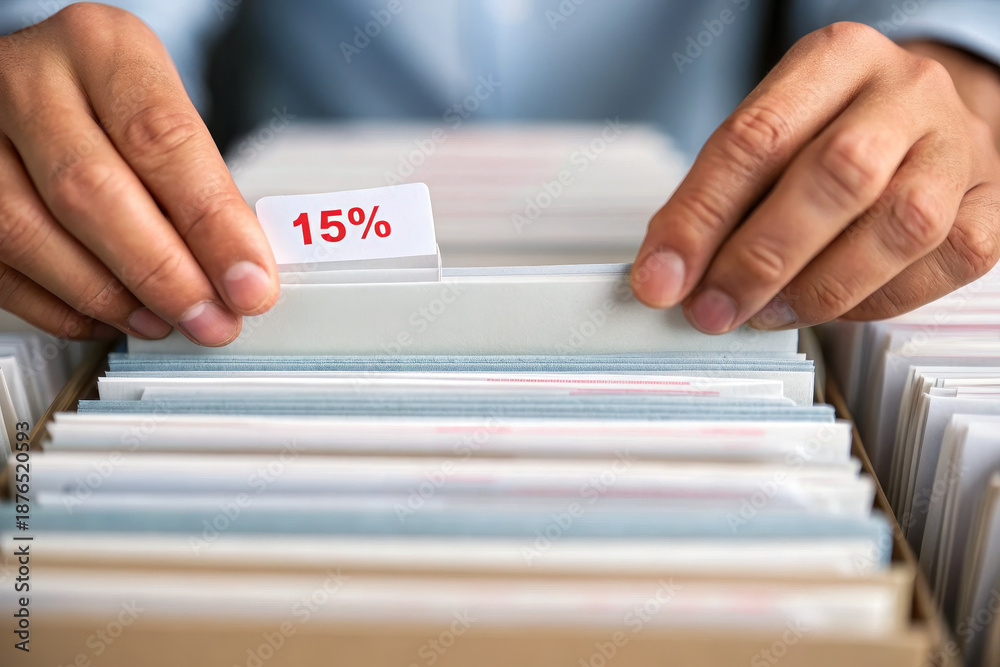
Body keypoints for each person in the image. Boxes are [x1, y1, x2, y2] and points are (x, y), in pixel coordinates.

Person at [0, 0, 998, 346]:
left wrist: (953, 86)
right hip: (261, 278)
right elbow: (85, 37)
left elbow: (933, 39)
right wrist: (47, 100)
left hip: (693, 255)